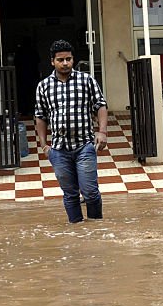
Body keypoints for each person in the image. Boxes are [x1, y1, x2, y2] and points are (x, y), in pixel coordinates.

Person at [34, 39, 108, 224]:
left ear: (73, 59)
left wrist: (102, 131)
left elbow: (100, 105)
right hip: (59, 150)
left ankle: (97, 228)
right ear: (52, 61)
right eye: (61, 60)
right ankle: (77, 228)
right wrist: (44, 146)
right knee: (70, 194)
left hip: (84, 146)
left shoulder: (86, 80)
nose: (65, 63)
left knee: (90, 192)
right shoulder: (43, 86)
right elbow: (40, 116)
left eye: (68, 59)